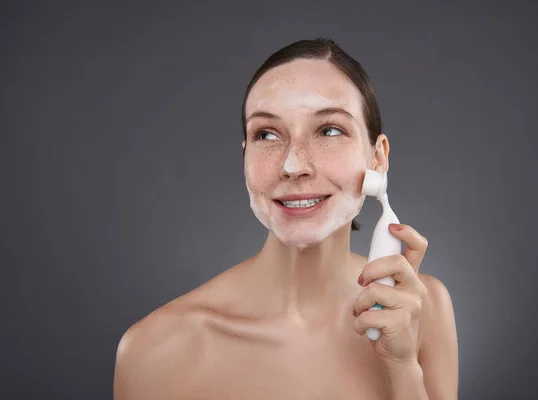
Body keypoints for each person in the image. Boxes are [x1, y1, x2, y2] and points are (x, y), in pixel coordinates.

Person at [113, 37, 459, 400]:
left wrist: (401, 367)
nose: (293, 166)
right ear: (245, 156)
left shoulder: (423, 309)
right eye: (266, 134)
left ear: (378, 158)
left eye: (329, 130)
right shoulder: (157, 351)